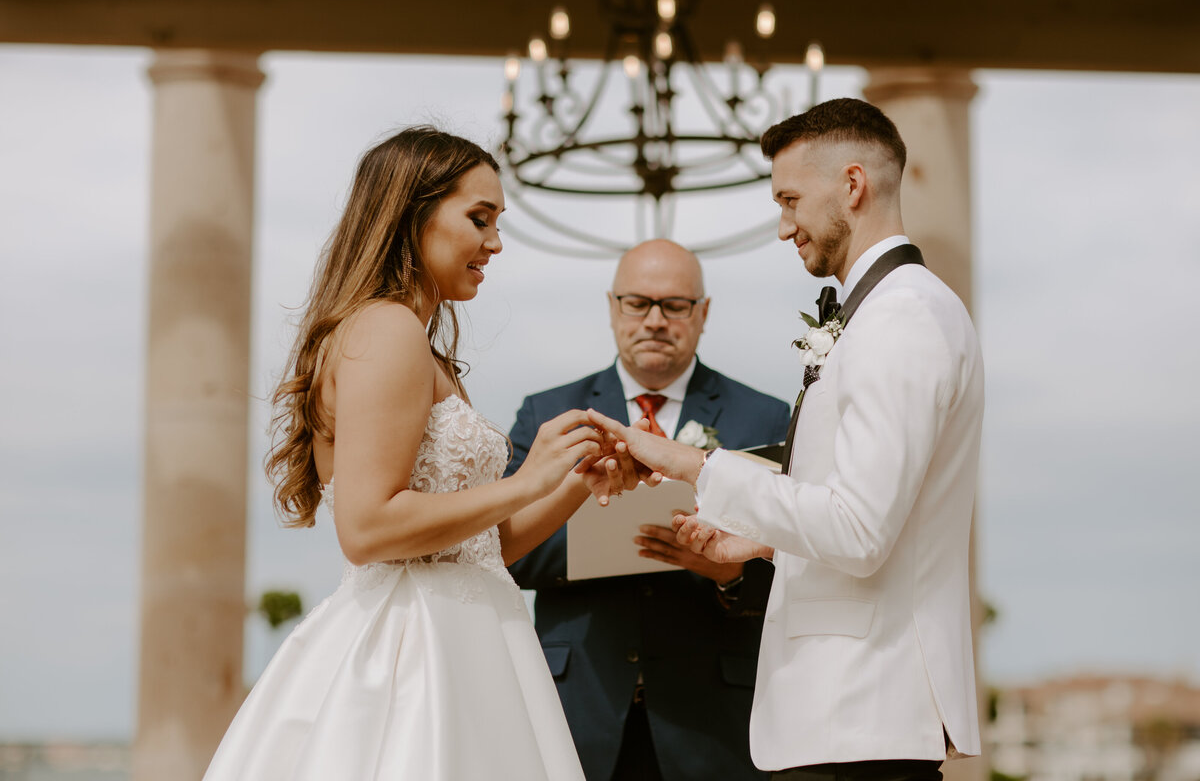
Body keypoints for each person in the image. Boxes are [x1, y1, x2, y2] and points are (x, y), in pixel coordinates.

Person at [203, 126, 623, 780]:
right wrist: (524, 478)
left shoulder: (414, 344)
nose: (495, 242)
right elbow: (367, 529)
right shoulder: (387, 329)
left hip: (470, 639)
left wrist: (566, 482)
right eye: (479, 218)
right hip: (418, 653)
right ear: (412, 213)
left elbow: (483, 547)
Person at [586, 98, 985, 780]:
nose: (783, 226)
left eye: (791, 199)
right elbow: (868, 511)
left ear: (852, 185)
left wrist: (690, 462)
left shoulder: (902, 319)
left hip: (860, 710)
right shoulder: (883, 315)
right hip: (842, 718)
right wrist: (760, 541)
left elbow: (860, 532)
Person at [507, 239, 790, 781]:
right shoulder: (550, 414)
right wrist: (603, 532)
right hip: (578, 709)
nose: (655, 320)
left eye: (675, 305)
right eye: (638, 303)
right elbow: (506, 553)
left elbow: (800, 554)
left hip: (714, 722)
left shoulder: (765, 418)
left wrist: (731, 574)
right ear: (613, 308)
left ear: (702, 313)